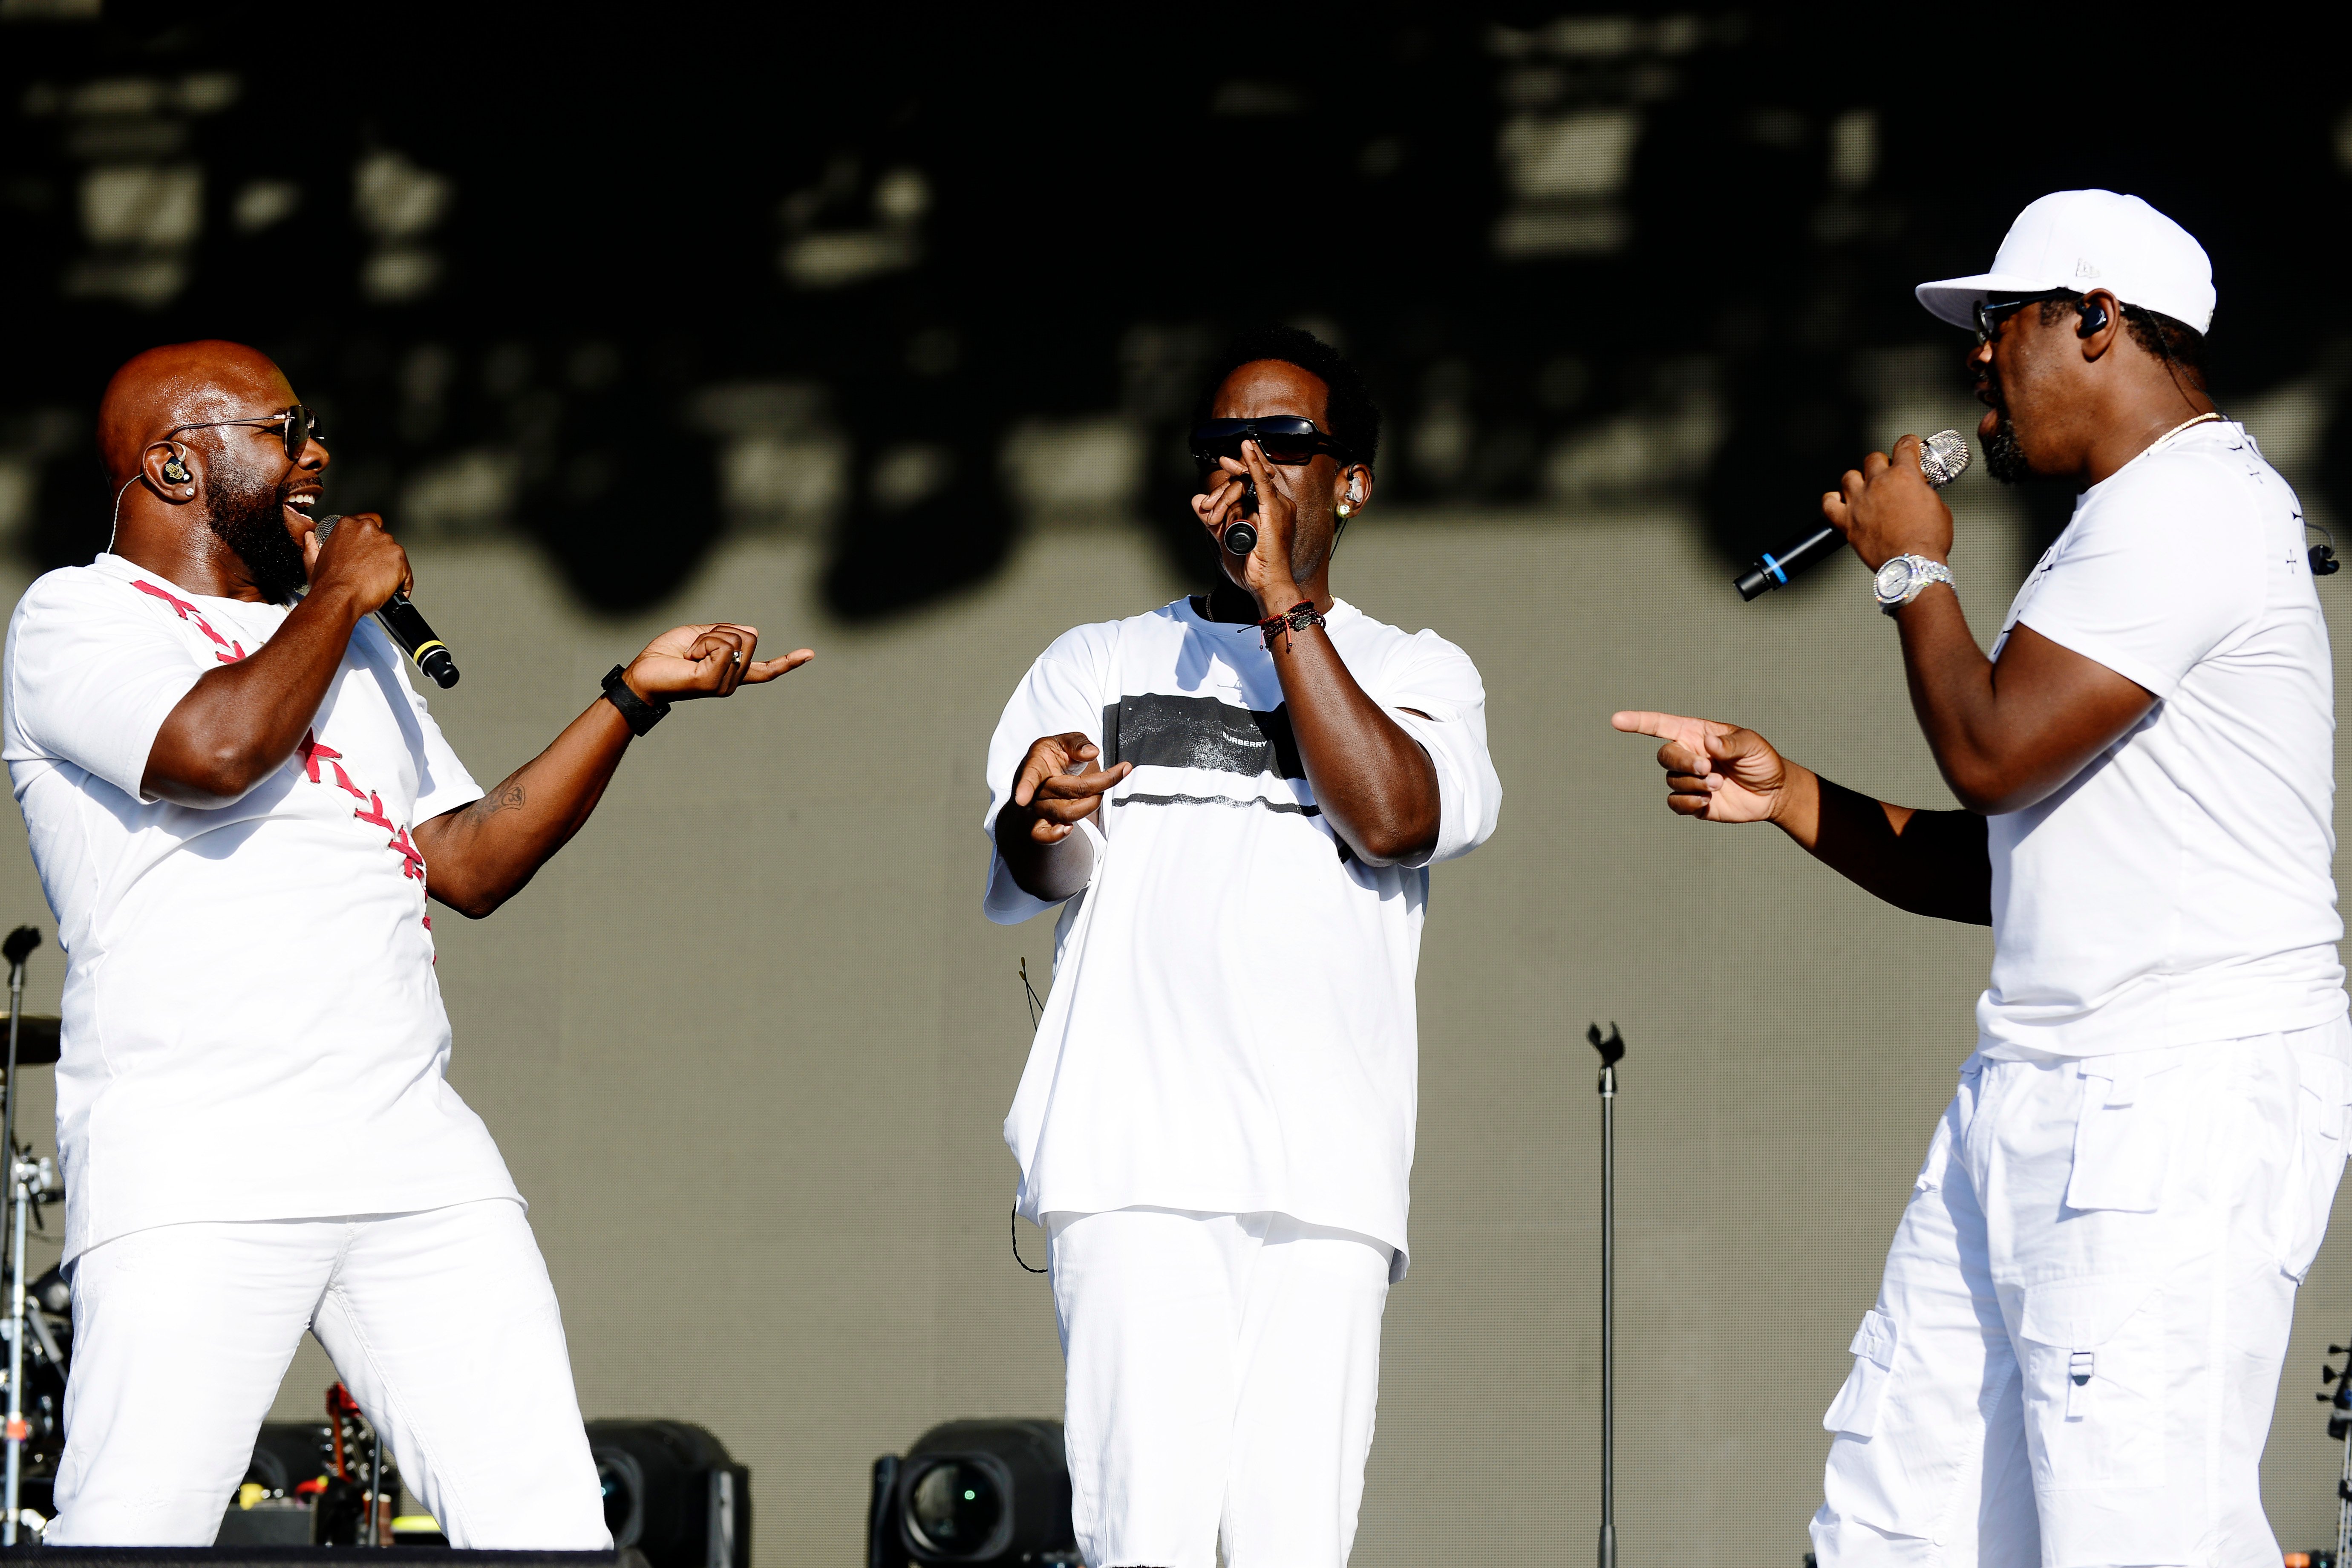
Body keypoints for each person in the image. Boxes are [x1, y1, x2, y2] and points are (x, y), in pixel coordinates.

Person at [1616, 190, 2346, 1562]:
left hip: (2171, 1096)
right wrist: (1793, 802)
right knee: (1900, 1524)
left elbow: (1995, 754)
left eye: (1997, 324)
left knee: (2137, 1534)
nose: (1974, 364)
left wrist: (1913, 574)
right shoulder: (2119, 527)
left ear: (2096, 323)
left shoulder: (2195, 509)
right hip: (2034, 1086)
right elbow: (2016, 864)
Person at [2, 340, 813, 1546]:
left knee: (549, 1525)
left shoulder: (348, 643)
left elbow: (470, 861)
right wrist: (338, 598)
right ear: (176, 465)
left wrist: (628, 701)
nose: (318, 455)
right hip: (201, 1156)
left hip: (411, 1149)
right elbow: (210, 758)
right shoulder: (77, 619)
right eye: (287, 430)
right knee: (136, 1530)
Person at [980, 327, 1501, 1568]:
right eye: (1224, 446)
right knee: (1144, 1537)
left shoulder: (1419, 671)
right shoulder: (1097, 659)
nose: (1248, 467)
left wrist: (1284, 608)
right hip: (1133, 1158)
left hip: (1325, 1175)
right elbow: (1039, 869)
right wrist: (1034, 815)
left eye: (1283, 444)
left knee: (1292, 1543)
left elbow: (1396, 817)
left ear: (1351, 483)